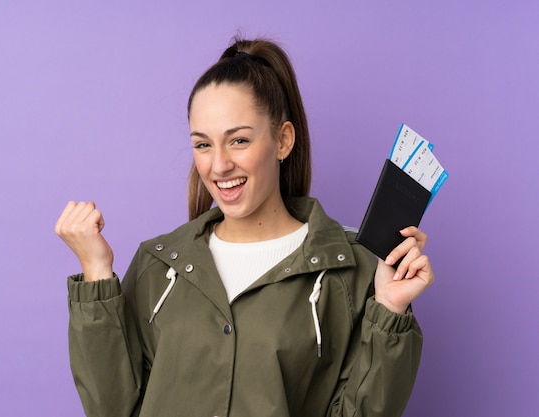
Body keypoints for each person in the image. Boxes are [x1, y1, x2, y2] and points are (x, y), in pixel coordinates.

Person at [55, 37, 434, 417]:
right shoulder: (158, 265)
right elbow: (114, 408)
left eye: (238, 140)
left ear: (283, 140)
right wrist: (97, 274)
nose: (218, 166)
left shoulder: (352, 269)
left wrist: (389, 309)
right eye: (203, 145)